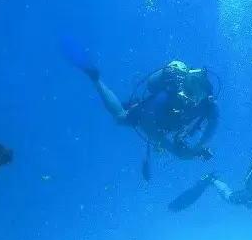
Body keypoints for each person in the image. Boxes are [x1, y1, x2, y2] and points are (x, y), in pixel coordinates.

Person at [63, 44, 218, 179]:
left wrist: (198, 148)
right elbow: (149, 124)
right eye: (193, 89)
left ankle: (99, 84)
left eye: (198, 92)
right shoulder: (184, 99)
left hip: (157, 113)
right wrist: (185, 148)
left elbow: (211, 124)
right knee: (120, 117)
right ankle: (96, 80)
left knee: (133, 114)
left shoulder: (204, 106)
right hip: (151, 115)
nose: (192, 97)